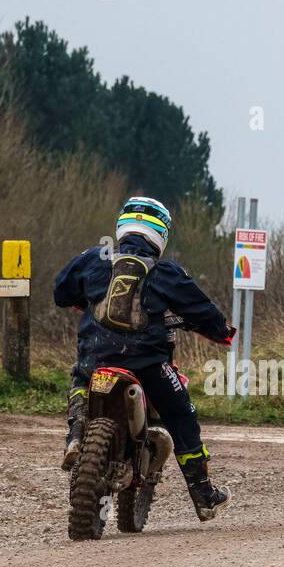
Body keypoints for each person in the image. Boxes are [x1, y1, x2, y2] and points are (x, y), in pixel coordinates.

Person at [54, 196, 234, 521]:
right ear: (161, 233)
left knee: (81, 380)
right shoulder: (167, 271)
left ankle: (77, 435)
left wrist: (90, 297)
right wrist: (223, 333)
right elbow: (203, 312)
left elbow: (60, 292)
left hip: (94, 357)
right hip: (147, 364)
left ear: (122, 226)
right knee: (181, 415)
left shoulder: (93, 259)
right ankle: (204, 493)